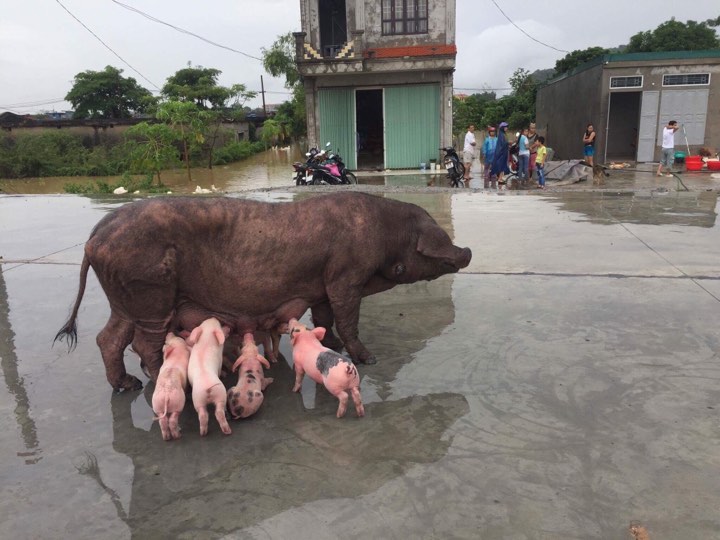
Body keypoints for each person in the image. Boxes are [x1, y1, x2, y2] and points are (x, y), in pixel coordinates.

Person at [491, 122, 510, 188]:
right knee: (502, 166)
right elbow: (503, 144)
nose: (506, 128)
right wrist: (508, 143)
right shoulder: (501, 135)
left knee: (503, 166)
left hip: (504, 152)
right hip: (502, 153)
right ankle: (499, 179)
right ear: (502, 128)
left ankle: (500, 178)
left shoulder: (503, 134)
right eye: (505, 127)